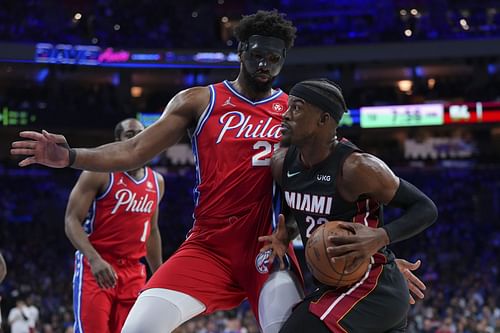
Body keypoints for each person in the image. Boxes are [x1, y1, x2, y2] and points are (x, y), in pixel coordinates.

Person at [11, 11, 425, 333]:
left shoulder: (296, 111)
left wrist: (381, 258)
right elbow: (134, 149)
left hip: (269, 249)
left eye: (274, 58)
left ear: (283, 61)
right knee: (139, 326)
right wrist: (71, 157)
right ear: (240, 49)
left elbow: (338, 181)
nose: (264, 63)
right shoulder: (200, 100)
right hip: (208, 246)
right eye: (257, 53)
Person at [261, 79, 438, 333]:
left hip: (372, 287)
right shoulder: (282, 164)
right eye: (288, 107)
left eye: (297, 108)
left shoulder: (357, 168)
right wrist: (285, 233)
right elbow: (298, 210)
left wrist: (381, 237)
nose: (286, 115)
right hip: (336, 284)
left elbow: (425, 208)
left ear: (323, 120)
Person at [64, 118, 164, 333]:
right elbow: (71, 220)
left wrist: (160, 274)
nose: (137, 137)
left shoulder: (157, 181)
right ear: (118, 141)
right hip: (98, 266)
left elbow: (152, 231)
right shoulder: (98, 172)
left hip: (134, 271)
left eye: (141, 132)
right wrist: (94, 259)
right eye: (130, 134)